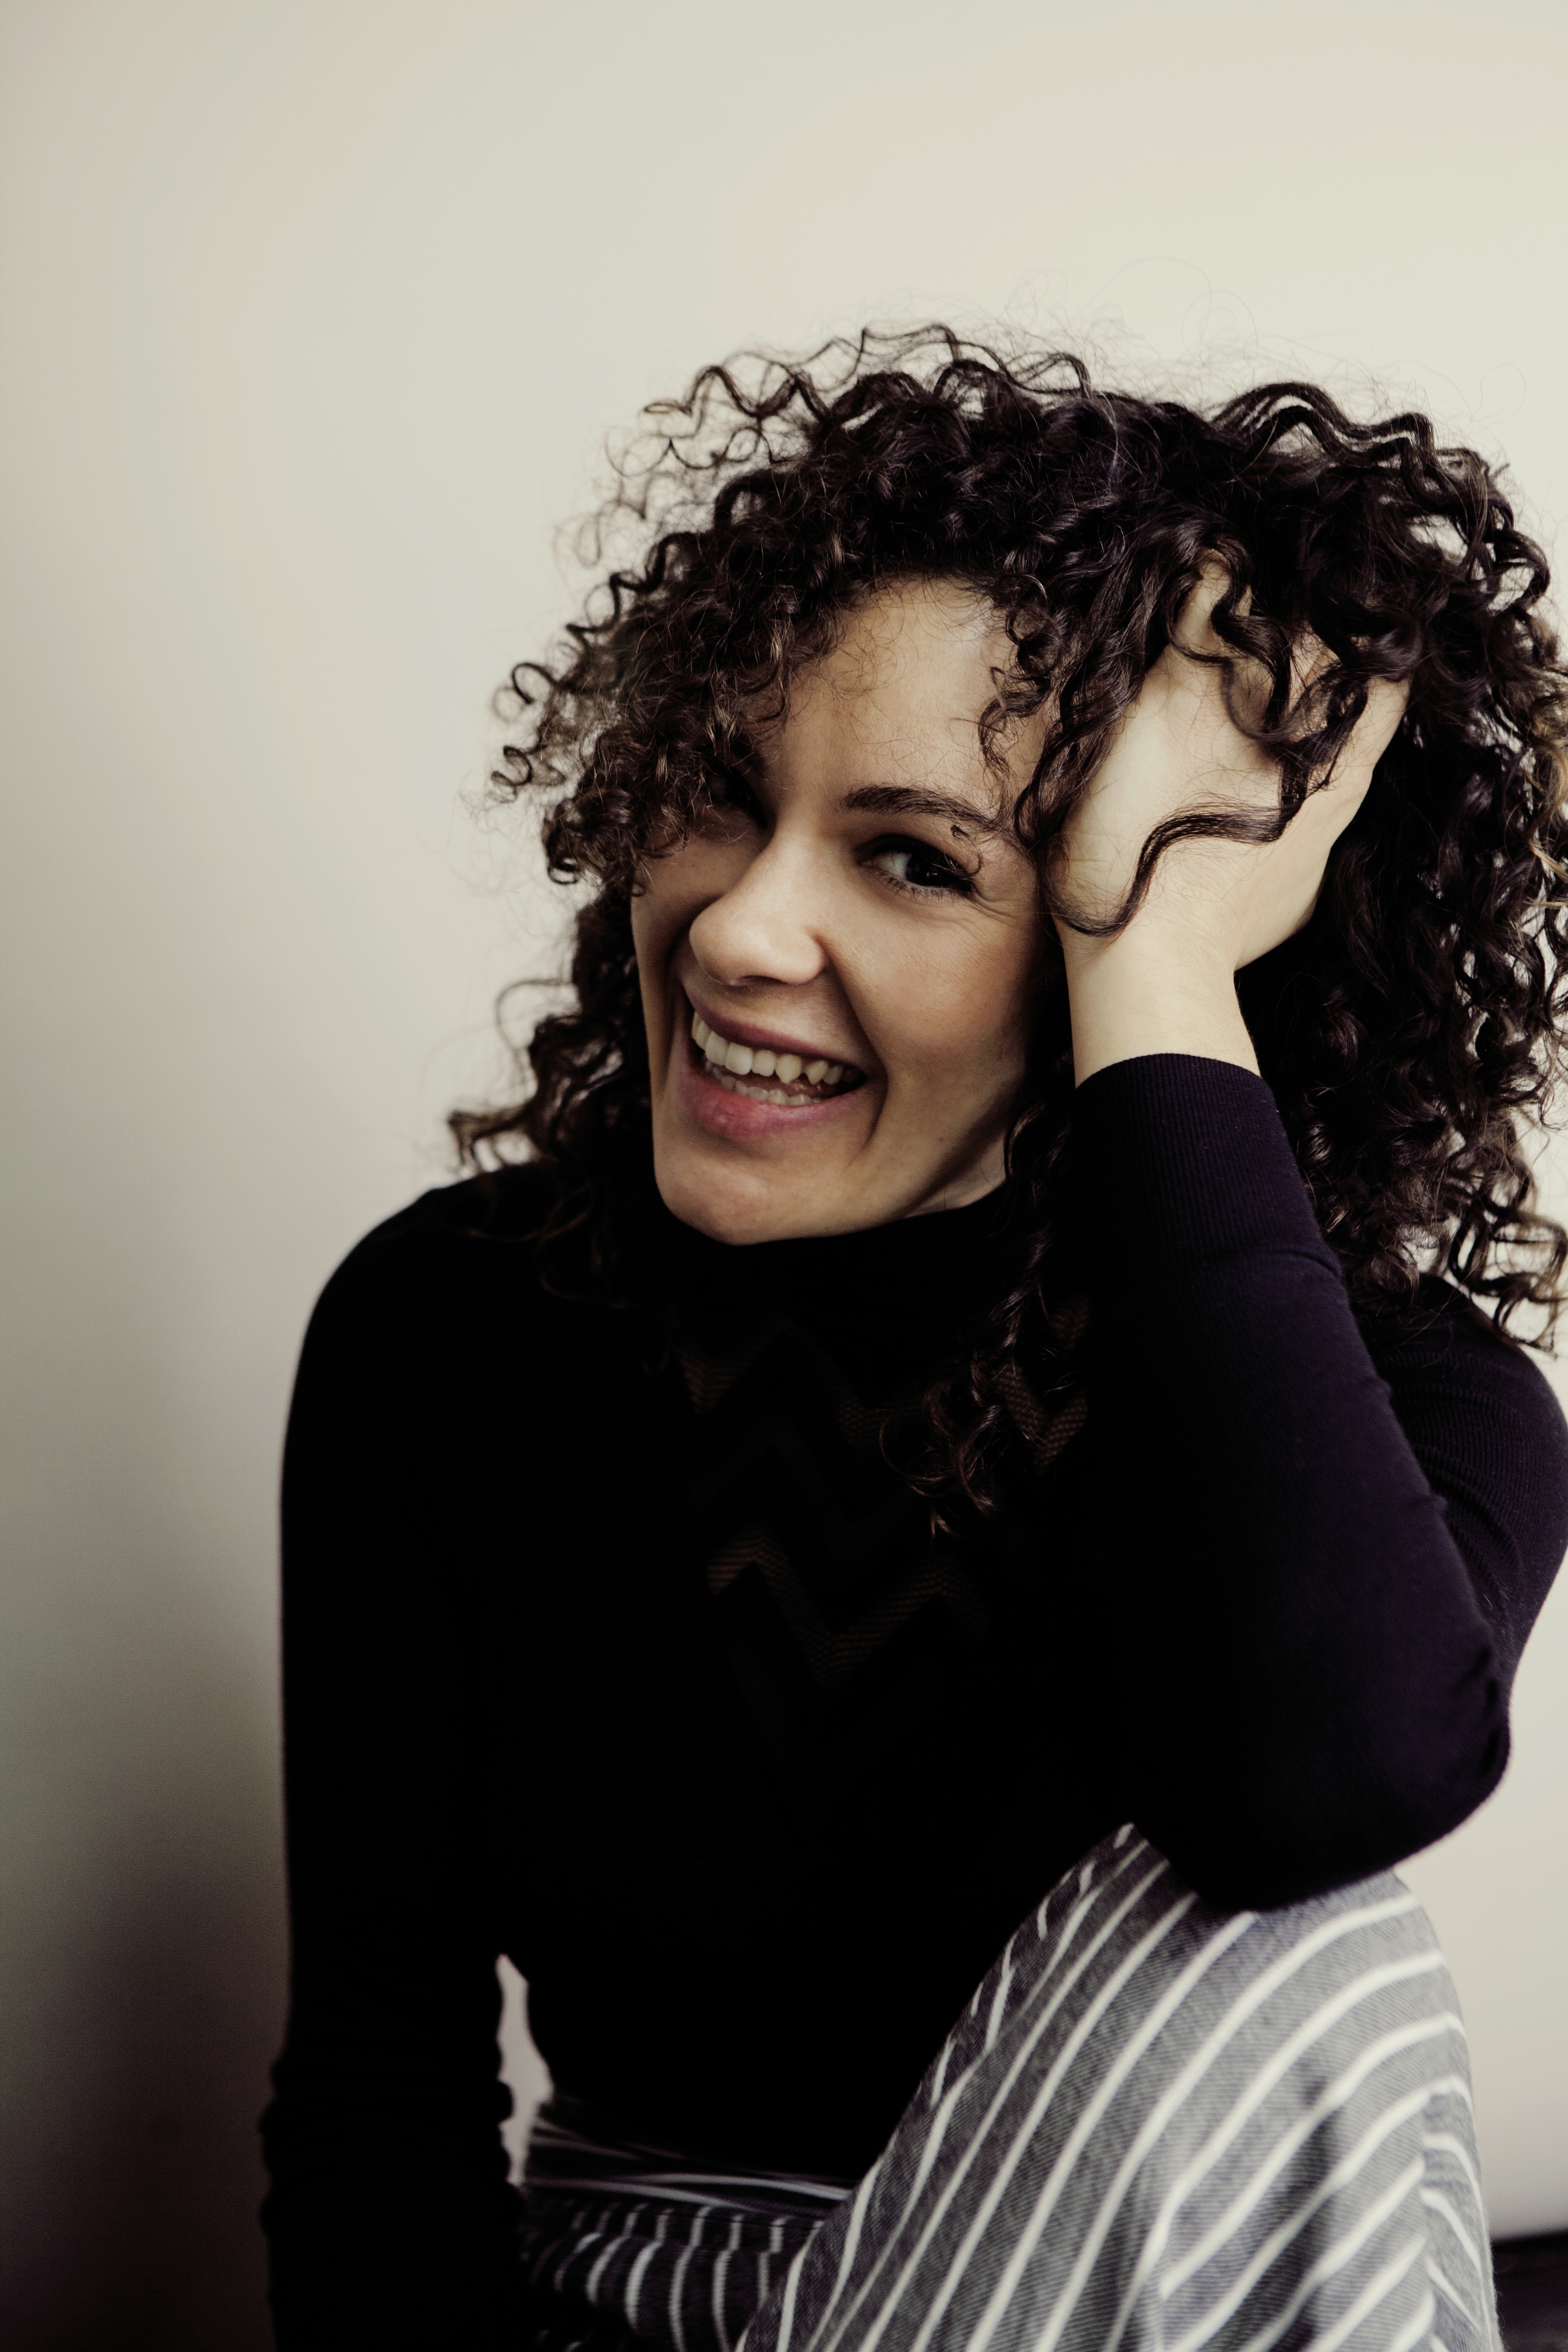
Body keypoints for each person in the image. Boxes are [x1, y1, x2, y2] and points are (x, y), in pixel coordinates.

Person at [260, 331, 1568, 2351]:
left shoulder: (1416, 1408)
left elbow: (1329, 1782)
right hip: (626, 2303)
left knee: (1312, 1959)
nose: (733, 929)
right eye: (717, 791)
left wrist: (1146, 949)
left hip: (1154, 2286)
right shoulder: (449, 1327)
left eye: (913, 858)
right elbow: (374, 2091)